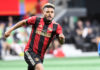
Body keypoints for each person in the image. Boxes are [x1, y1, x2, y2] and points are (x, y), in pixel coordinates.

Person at [4, 3, 65, 70]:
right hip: (29, 51)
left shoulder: (56, 26)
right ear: (43, 12)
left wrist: (62, 38)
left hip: (40, 56)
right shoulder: (36, 20)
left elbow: (61, 42)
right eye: (47, 12)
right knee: (40, 68)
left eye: (52, 12)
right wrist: (10, 30)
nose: (50, 14)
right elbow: (23, 22)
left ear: (54, 14)